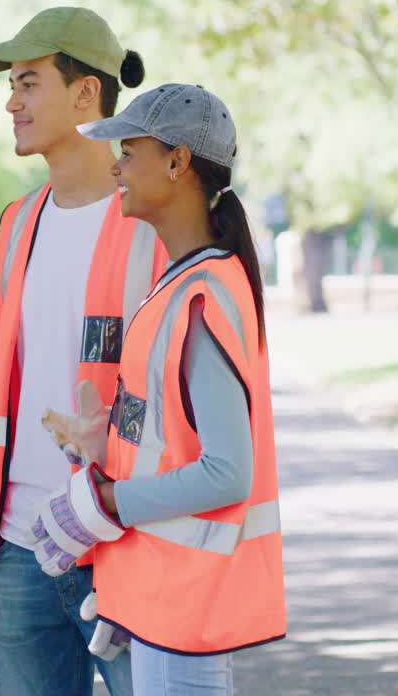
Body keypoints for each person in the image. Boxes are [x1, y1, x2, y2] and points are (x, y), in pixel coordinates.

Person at [31, 84, 287, 695]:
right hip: (161, 606)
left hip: (184, 615)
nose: (115, 166)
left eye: (129, 151)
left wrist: (108, 504)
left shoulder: (202, 293)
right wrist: (104, 447)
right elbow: (173, 439)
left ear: (177, 163)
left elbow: (227, 473)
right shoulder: (183, 284)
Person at [0, 6, 166, 696]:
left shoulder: (154, 224)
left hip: (123, 544)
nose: (11, 103)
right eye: (10, 86)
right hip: (21, 550)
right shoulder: (17, 226)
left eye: (27, 82)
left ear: (85, 94)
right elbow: (3, 396)